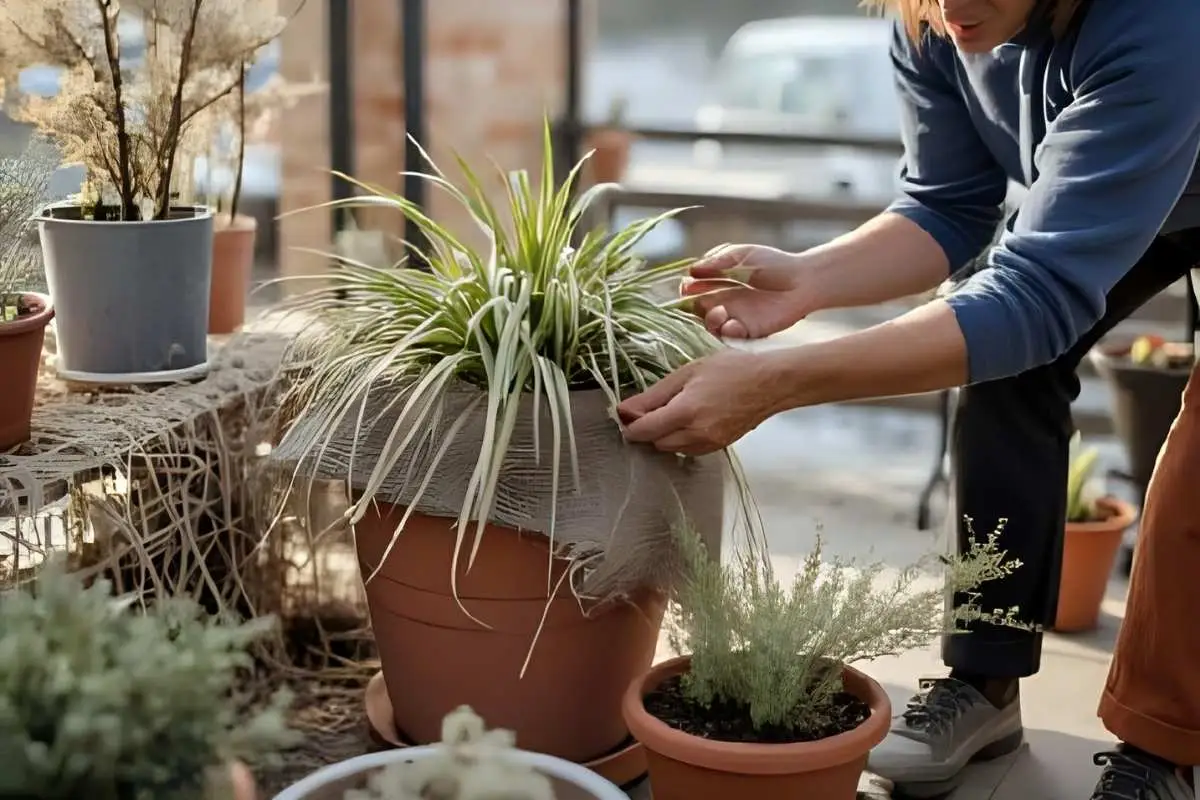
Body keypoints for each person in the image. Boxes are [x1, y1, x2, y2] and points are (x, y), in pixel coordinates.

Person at [617, 0, 1200, 797]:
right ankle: (985, 683)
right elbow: (947, 204)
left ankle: (1164, 748)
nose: (953, 5)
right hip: (1107, 203)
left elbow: (1037, 293)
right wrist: (812, 279)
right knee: (1000, 362)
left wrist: (781, 382)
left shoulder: (1160, 21)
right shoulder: (933, 20)